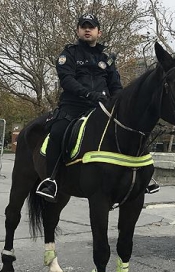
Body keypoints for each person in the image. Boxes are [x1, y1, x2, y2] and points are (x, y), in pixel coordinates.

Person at [36, 13, 124, 202]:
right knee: (58, 132)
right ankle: (50, 180)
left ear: (98, 32)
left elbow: (115, 85)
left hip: (102, 107)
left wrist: (119, 102)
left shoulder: (106, 58)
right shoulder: (69, 54)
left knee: (128, 128)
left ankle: (142, 175)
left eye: (91, 27)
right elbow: (67, 80)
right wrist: (87, 94)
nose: (87, 29)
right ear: (78, 30)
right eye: (83, 26)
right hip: (73, 106)